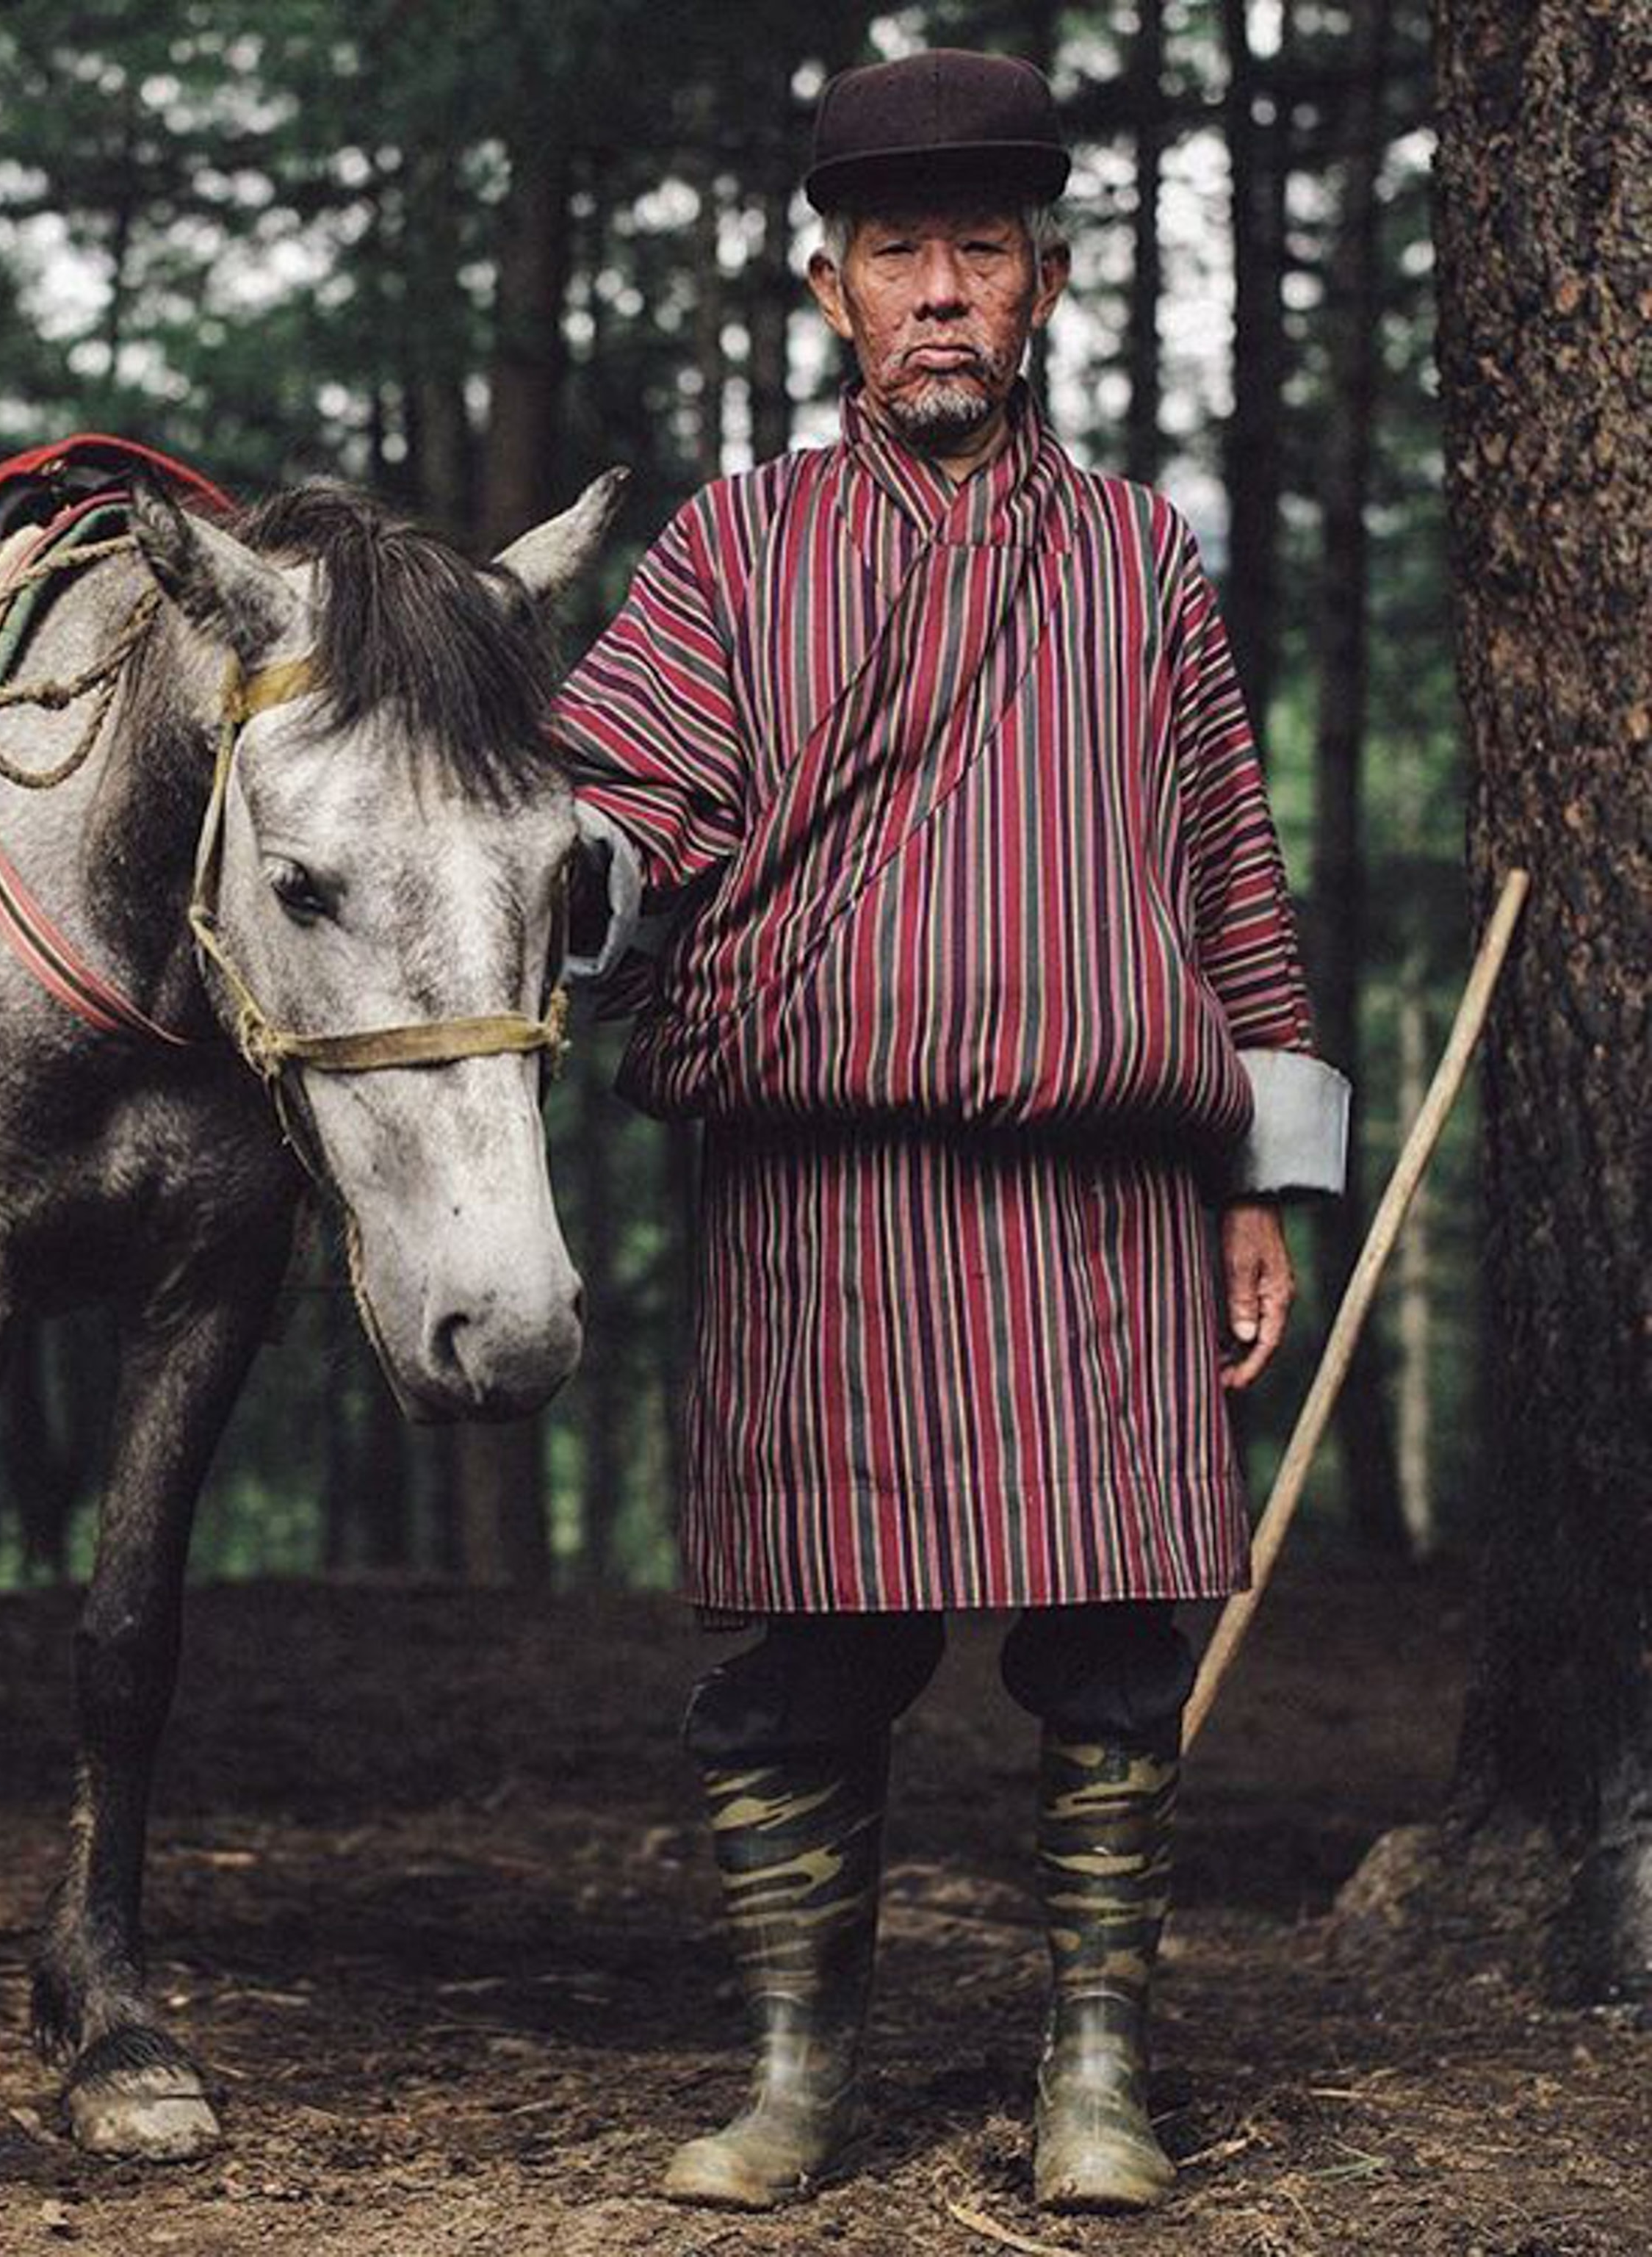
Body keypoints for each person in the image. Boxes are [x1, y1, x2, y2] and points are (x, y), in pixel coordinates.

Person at [553, 48, 1348, 2217]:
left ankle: (1098, 2077)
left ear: (1045, 286)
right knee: (811, 1653)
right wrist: (537, 870)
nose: (937, 292)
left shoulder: (1141, 559)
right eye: (895, 252)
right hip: (817, 1206)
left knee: (1111, 1651)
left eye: (978, 251)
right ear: (830, 291)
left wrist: (1263, 1184)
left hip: (1108, 1206)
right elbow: (612, 818)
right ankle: (797, 2077)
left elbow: (1231, 872)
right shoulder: (734, 551)